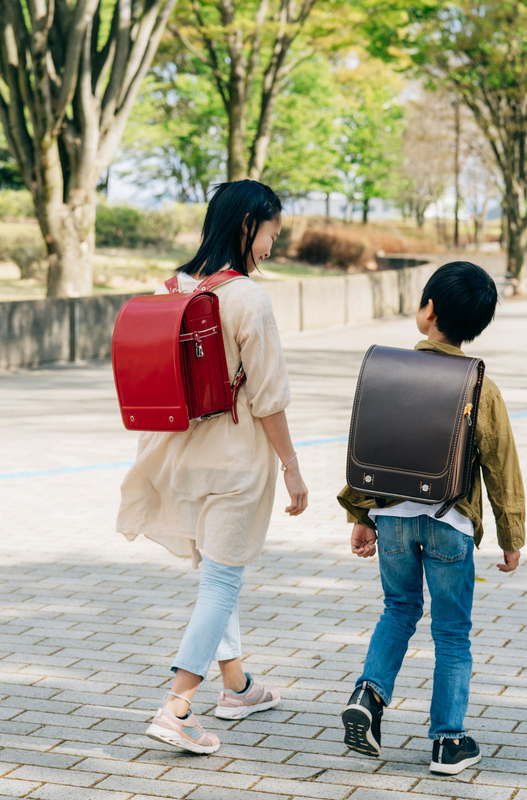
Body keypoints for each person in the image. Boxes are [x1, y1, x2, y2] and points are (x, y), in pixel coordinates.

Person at [117, 180, 308, 755]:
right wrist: (292, 468)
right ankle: (177, 707)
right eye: (273, 231)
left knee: (215, 578)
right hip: (233, 465)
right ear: (249, 224)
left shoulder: (169, 286)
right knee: (223, 582)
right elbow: (269, 398)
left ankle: (239, 688)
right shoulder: (249, 298)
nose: (274, 243)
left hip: (179, 460)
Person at [336, 260, 525, 775]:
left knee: (398, 609)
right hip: (451, 523)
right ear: (476, 326)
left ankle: (369, 696)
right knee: (451, 633)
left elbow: (370, 448)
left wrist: (361, 512)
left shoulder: (390, 370)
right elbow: (501, 463)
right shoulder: (479, 385)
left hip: (393, 519)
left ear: (428, 312)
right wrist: (511, 535)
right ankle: (447, 740)